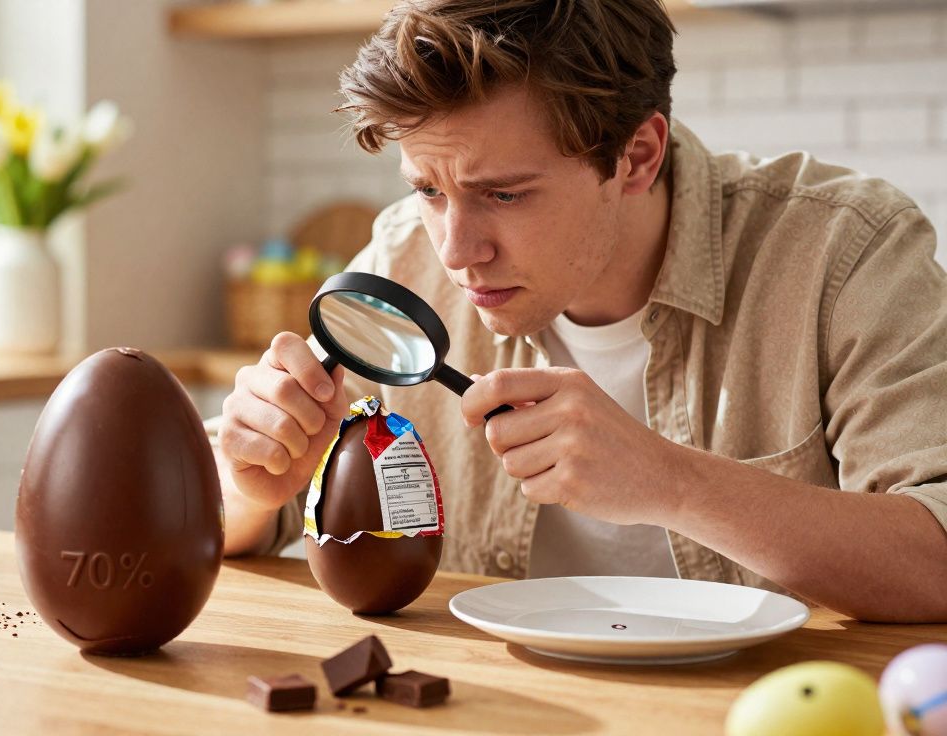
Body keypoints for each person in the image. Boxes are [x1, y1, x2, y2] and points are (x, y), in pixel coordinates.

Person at [211, 0, 947, 622]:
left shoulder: (841, 251)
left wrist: (671, 482)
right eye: (429, 190)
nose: (457, 250)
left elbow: (935, 555)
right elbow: (233, 512)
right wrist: (253, 478)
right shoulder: (403, 257)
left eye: (503, 194)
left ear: (636, 156)